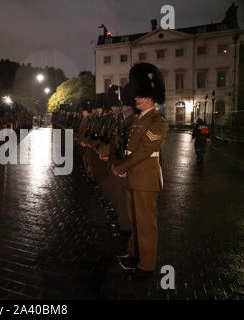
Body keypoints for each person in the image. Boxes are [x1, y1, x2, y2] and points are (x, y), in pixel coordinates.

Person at [111, 62, 168, 281]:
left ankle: (146, 266)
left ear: (149, 96)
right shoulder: (137, 120)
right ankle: (134, 253)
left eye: (138, 94)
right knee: (135, 220)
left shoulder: (158, 122)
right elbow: (129, 149)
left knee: (145, 224)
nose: (134, 97)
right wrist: (124, 167)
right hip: (134, 176)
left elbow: (143, 152)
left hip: (145, 177)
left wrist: (121, 167)